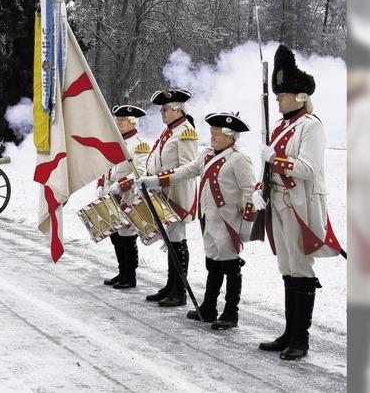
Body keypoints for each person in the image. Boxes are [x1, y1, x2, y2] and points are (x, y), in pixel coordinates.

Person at [254, 44, 341, 360]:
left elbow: (307, 168)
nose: (277, 98)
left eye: (283, 93)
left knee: (301, 268)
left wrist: (275, 159)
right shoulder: (281, 127)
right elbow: (270, 165)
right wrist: (258, 187)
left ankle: (300, 339)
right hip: (279, 203)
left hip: (300, 204)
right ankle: (289, 333)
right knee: (288, 268)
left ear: (300, 96)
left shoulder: (311, 125)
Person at [137, 112, 255, 328]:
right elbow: (187, 170)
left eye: (217, 133)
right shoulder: (207, 155)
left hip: (228, 221)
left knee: (230, 266)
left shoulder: (239, 159)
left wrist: (247, 224)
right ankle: (209, 306)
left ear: (231, 137)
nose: (213, 137)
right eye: (212, 132)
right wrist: (155, 181)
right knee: (213, 263)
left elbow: (249, 193)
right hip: (209, 218)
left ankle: (231, 312)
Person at [142, 89, 198, 307]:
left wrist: (158, 180)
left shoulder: (185, 132)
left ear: (177, 109)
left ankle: (179, 291)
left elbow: (188, 168)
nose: (162, 113)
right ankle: (170, 285)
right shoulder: (170, 131)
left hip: (178, 194)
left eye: (165, 109)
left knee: (177, 241)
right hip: (163, 192)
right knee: (171, 241)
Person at [99, 104, 150, 289]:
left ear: (132, 122)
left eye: (122, 121)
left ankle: (130, 276)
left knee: (127, 237)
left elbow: (141, 173)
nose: (119, 123)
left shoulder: (140, 144)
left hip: (127, 196)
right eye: (118, 120)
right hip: (111, 195)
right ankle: (122, 272)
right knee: (116, 236)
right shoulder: (116, 141)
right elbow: (107, 166)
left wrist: (120, 185)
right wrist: (101, 185)